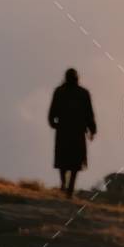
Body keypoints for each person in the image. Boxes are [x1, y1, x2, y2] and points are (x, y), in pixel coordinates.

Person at [47, 68, 96, 198]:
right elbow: (89, 114)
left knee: (63, 160)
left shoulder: (60, 92)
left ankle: (65, 185)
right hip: (76, 132)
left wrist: (53, 123)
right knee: (75, 162)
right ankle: (69, 188)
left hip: (63, 131)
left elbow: (52, 112)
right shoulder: (83, 93)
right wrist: (92, 129)